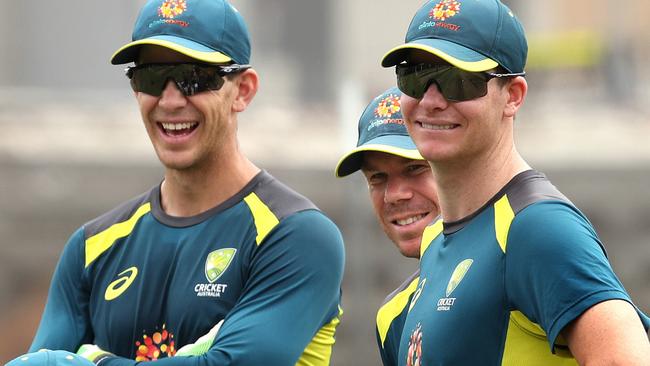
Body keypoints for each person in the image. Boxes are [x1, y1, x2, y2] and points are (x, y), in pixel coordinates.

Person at [21, 0, 345, 365]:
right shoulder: (91, 247)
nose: (171, 100)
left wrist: (94, 361)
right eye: (151, 77)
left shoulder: (296, 235)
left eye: (194, 77)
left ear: (243, 90)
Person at [380, 0, 650, 364]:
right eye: (414, 75)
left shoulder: (536, 227)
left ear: (513, 96)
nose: (430, 100)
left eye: (458, 81)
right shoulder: (437, 242)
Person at [335, 87, 439, 366]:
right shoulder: (394, 315)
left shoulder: (519, 251)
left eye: (414, 169)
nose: (393, 194)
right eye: (377, 177)